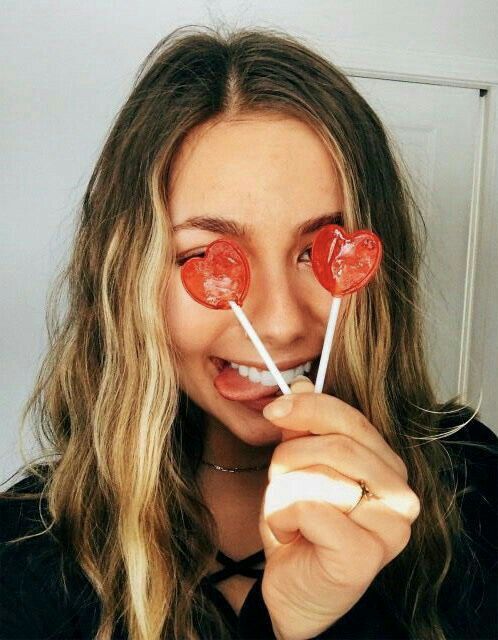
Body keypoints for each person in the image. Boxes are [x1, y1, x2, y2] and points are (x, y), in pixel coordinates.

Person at [0, 24, 497, 640]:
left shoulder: (478, 488)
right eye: (205, 257)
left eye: (318, 252)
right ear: (128, 280)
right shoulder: (25, 546)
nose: (282, 322)